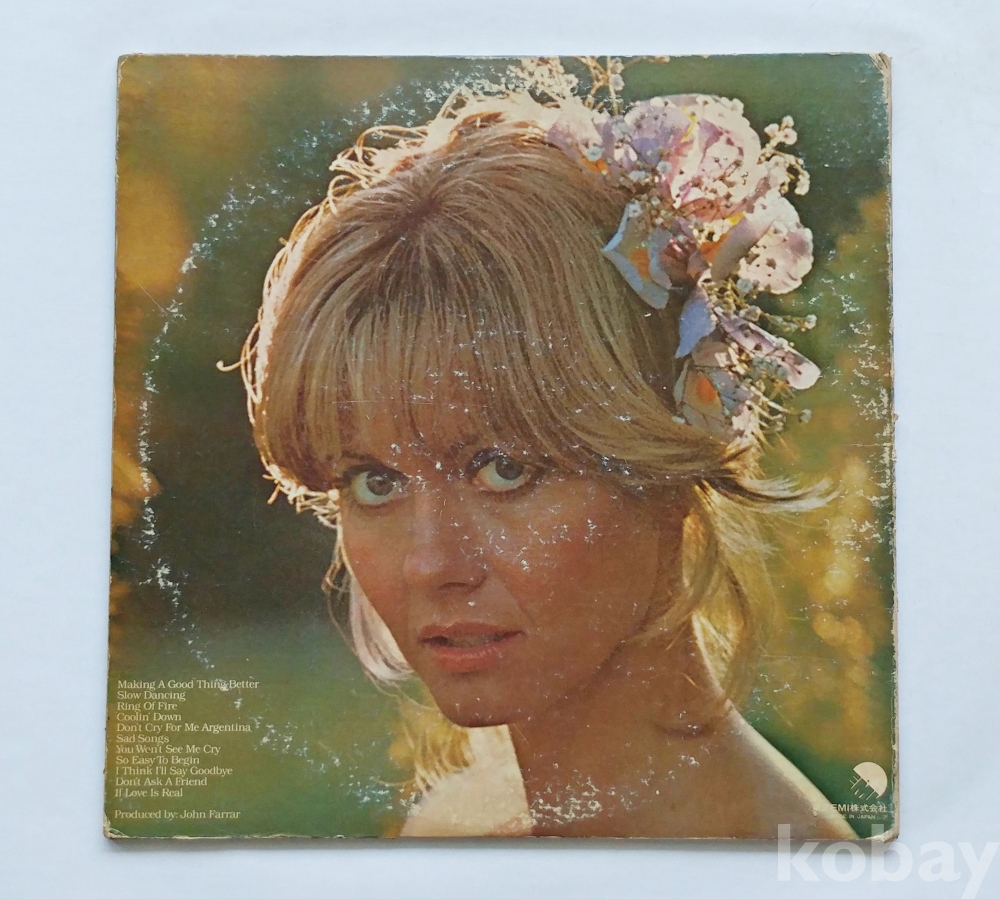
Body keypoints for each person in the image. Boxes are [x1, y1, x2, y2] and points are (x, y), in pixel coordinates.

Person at [239, 59, 855, 838]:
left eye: (503, 468)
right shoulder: (454, 826)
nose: (430, 564)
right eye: (375, 480)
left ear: (670, 452)